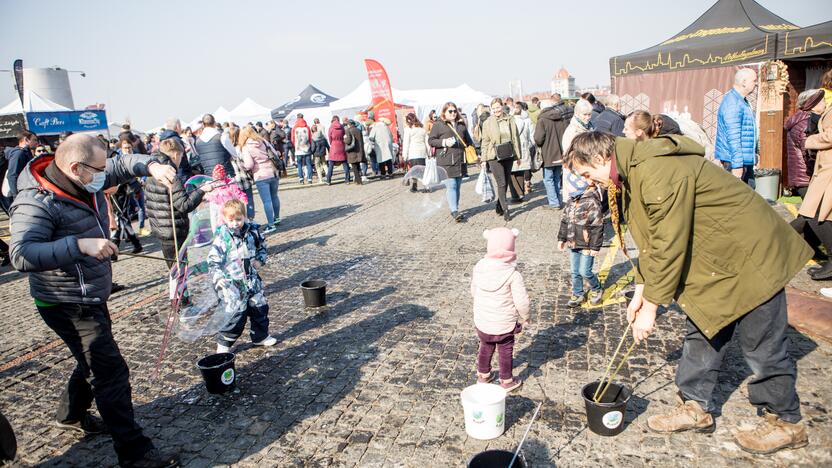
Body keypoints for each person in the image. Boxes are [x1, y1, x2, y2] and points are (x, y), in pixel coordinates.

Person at [564, 131, 812, 455]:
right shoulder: (630, 174)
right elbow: (651, 239)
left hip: (751, 257)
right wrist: (641, 288)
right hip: (716, 263)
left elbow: (668, 244)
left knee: (762, 346)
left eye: (587, 174)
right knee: (703, 329)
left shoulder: (653, 170)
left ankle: (786, 422)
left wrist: (651, 307)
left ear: (599, 158)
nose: (590, 182)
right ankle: (695, 407)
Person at [9, 134, 180, 466]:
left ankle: (70, 415)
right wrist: (80, 245)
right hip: (66, 302)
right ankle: (135, 453)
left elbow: (123, 164)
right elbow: (22, 253)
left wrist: (153, 166)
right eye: (99, 170)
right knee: (110, 371)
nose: (106, 174)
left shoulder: (86, 176)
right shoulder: (35, 202)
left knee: (90, 359)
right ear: (76, 168)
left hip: (91, 293)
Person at [209, 199, 277, 353]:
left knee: (260, 308)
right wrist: (219, 278)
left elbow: (263, 247)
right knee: (236, 314)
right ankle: (224, 344)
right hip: (233, 283)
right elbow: (213, 260)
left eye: (239, 219)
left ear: (245, 217)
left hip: (252, 280)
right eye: (231, 220)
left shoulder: (253, 231)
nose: (235, 224)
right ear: (225, 220)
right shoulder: (223, 237)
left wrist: (260, 260)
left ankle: (260, 336)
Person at [471, 227, 529, 392]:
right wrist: (525, 317)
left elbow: (473, 291)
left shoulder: (479, 266)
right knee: (505, 350)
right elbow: (522, 301)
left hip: (483, 321)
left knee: (485, 346)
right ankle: (507, 380)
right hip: (503, 324)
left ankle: (483, 376)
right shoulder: (513, 274)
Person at [145, 139, 214, 269]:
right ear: (176, 155)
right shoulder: (170, 173)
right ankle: (181, 290)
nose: (181, 160)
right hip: (173, 229)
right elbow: (184, 205)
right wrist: (202, 190)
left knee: (174, 269)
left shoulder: (153, 169)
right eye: (181, 156)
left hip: (161, 227)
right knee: (179, 271)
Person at [799, 90, 832, 280]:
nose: (812, 112)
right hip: (825, 170)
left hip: (828, 171)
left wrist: (809, 141)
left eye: (812, 107)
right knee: (815, 214)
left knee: (818, 216)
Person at [557, 179, 604, 307]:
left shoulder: (592, 202)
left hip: (587, 245)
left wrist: (595, 247)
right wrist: (562, 238)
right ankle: (578, 293)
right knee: (574, 271)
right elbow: (565, 221)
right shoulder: (571, 201)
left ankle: (597, 288)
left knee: (585, 271)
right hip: (573, 242)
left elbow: (597, 226)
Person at [429, 102, 474, 222]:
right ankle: (454, 211)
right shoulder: (439, 125)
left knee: (458, 186)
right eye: (450, 111)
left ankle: (455, 208)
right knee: (451, 185)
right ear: (444, 112)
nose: (453, 113)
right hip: (446, 160)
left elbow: (468, 140)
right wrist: (444, 142)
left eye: (454, 111)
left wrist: (474, 152)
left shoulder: (461, 125)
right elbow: (431, 140)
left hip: (460, 160)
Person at [480, 98, 522, 221]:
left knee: (505, 182)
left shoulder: (510, 119)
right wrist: (483, 159)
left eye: (498, 107)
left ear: (502, 107)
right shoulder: (488, 122)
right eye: (494, 108)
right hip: (493, 156)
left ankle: (499, 205)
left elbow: (515, 137)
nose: (496, 110)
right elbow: (485, 141)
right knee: (502, 182)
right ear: (491, 109)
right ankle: (506, 209)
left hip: (508, 154)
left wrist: (518, 155)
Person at [715, 68, 758, 186]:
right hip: (736, 162)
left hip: (743, 160)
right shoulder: (733, 103)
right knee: (738, 200)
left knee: (749, 197)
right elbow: (733, 137)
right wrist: (737, 165)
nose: (756, 83)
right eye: (754, 81)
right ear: (744, 82)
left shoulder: (742, 101)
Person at [239, 126, 281, 233]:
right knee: (275, 196)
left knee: (267, 201)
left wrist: (242, 166)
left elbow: (249, 164)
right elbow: (275, 154)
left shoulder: (246, 147)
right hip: (273, 172)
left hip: (260, 175)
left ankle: (271, 225)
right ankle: (277, 218)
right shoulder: (264, 141)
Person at [786, 90, 824, 199]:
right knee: (813, 213)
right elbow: (809, 151)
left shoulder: (807, 120)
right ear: (812, 105)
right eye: (822, 101)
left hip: (809, 176)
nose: (825, 104)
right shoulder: (804, 124)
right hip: (806, 177)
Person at [534, 98, 570, 209]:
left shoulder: (542, 120)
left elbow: (538, 139)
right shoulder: (561, 117)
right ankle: (558, 200)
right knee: (557, 178)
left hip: (548, 154)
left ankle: (554, 203)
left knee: (548, 179)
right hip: (560, 153)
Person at [561, 99, 594, 200]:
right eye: (585, 114)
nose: (587, 117)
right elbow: (568, 153)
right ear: (577, 113)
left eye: (589, 114)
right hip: (576, 172)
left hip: (589, 168)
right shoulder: (572, 131)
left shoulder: (590, 127)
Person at [3, 130, 38, 207]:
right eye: (34, 140)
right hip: (18, 195)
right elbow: (12, 175)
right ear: (26, 140)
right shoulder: (18, 153)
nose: (37, 142)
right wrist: (16, 196)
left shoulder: (26, 153)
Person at [195, 114, 236, 179]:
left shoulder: (197, 142)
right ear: (214, 123)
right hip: (226, 175)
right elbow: (235, 154)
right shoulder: (222, 137)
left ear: (203, 124)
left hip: (210, 177)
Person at [511, 104, 535, 196]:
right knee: (523, 169)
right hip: (524, 147)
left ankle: (517, 192)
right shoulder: (527, 120)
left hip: (513, 148)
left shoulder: (510, 120)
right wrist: (530, 145)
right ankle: (526, 185)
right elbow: (532, 135)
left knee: (513, 171)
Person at [402, 113, 429, 192]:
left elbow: (406, 143)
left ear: (409, 120)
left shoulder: (408, 130)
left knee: (414, 170)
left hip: (413, 152)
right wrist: (428, 153)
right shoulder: (422, 129)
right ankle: (426, 186)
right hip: (422, 152)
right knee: (423, 170)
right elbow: (426, 142)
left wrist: (404, 155)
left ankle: (414, 185)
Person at [326, 116, 350, 185]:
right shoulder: (341, 127)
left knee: (331, 165)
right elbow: (344, 135)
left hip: (334, 146)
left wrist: (332, 144)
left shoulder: (331, 127)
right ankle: (347, 179)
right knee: (345, 164)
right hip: (341, 145)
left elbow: (329, 138)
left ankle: (328, 180)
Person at [291, 113, 314, 184]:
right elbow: (310, 138)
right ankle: (310, 179)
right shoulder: (307, 127)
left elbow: (292, 139)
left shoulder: (294, 127)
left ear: (297, 118)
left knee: (299, 165)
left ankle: (301, 179)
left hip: (298, 149)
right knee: (308, 164)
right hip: (307, 148)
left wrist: (295, 145)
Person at [344, 119, 366, 185]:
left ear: (349, 124)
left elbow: (348, 141)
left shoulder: (348, 130)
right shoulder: (358, 130)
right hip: (359, 151)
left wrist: (344, 139)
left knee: (354, 167)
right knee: (358, 166)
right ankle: (358, 180)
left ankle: (359, 181)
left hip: (352, 151)